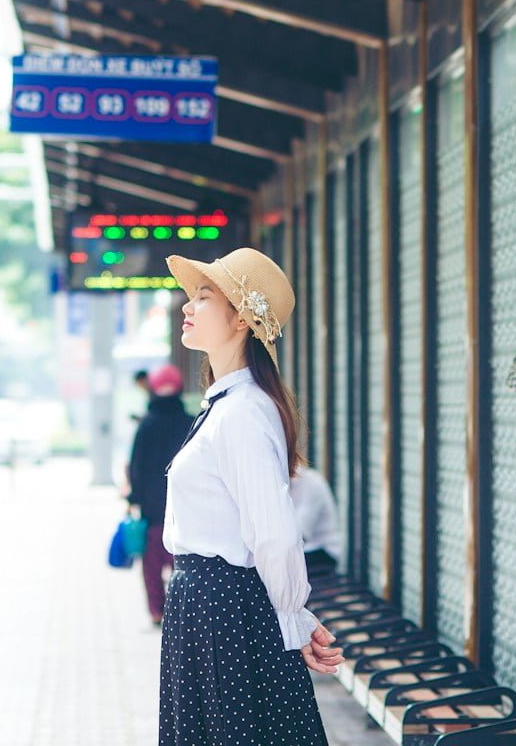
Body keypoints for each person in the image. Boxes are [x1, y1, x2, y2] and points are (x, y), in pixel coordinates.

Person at [158, 247, 342, 746]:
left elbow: (275, 531)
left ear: (241, 318)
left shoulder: (241, 412)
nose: (186, 308)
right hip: (210, 606)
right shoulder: (226, 406)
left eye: (202, 297)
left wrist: (292, 617)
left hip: (226, 609)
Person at [126, 363, 190, 625]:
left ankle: (157, 611)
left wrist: (134, 498)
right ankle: (182, 610)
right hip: (184, 508)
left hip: (153, 508)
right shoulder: (190, 422)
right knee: (182, 561)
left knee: (151, 564)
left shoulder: (147, 424)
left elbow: (136, 465)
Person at [289, 465, 342, 585]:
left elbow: (301, 535)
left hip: (322, 551)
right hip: (305, 551)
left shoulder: (311, 484)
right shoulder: (287, 485)